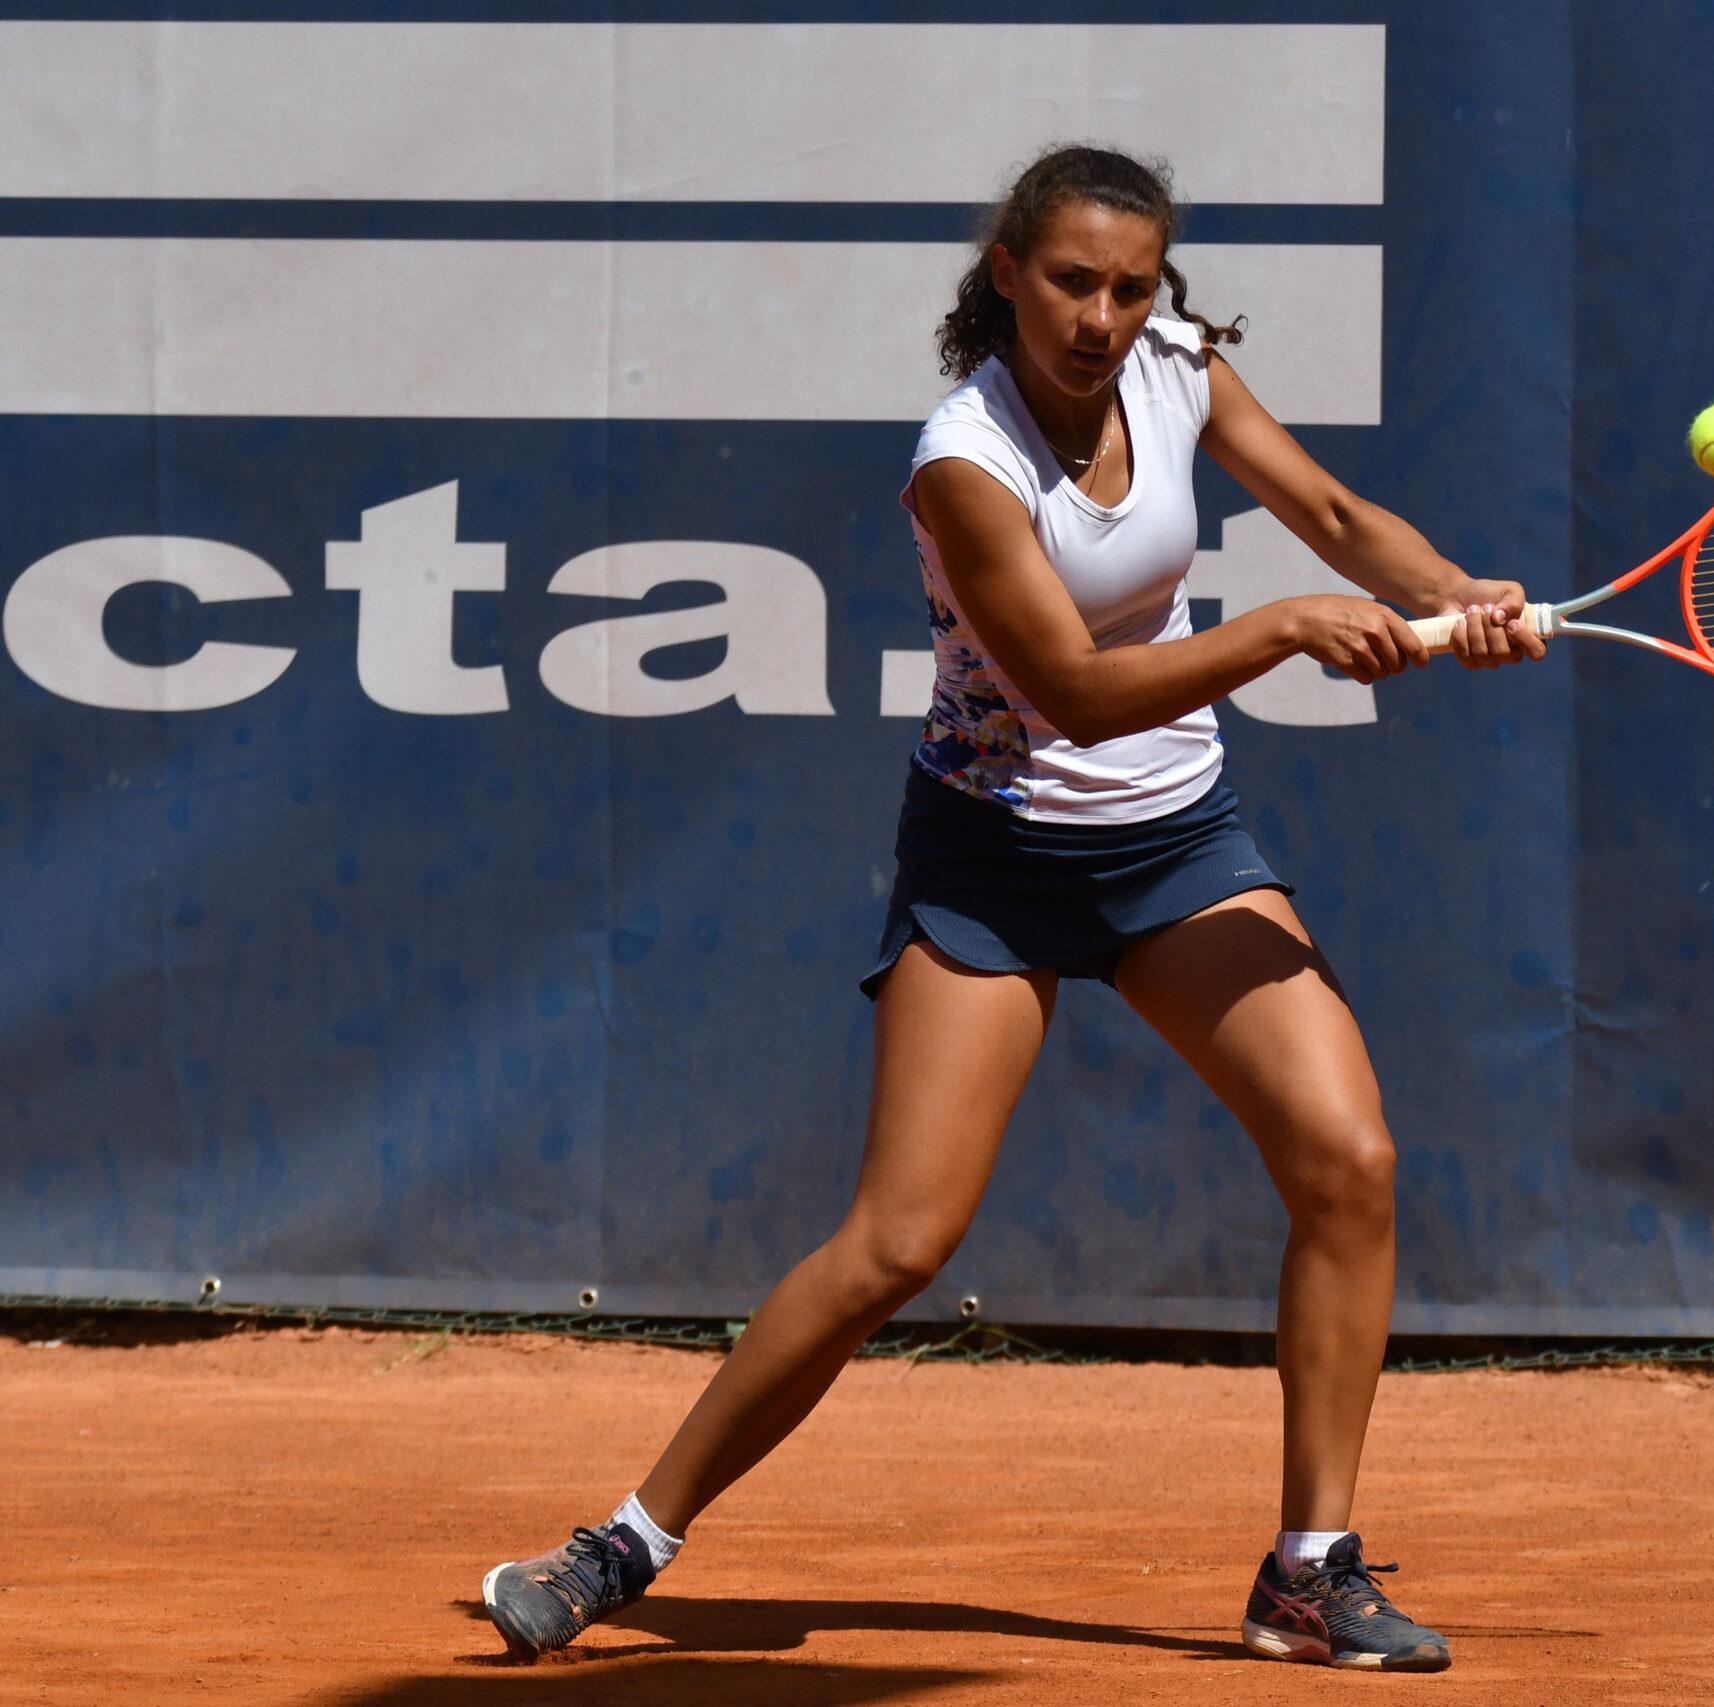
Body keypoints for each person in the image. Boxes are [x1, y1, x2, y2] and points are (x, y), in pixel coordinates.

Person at [480, 144, 1543, 1674]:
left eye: (1130, 285)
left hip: (1179, 848)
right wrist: (1281, 632)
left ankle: (1309, 1573)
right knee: (899, 1242)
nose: (1103, 315)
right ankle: (623, 1543)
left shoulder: (1177, 368)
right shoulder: (961, 462)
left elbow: (1327, 505)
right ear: (1008, 275)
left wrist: (1459, 596)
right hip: (994, 857)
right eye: (1072, 282)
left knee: (1347, 1156)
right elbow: (1076, 692)